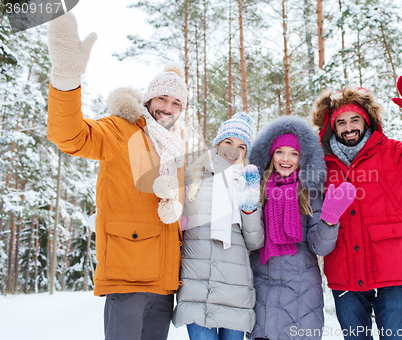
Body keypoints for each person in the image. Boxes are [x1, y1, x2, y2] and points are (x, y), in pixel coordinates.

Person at [47, 13, 188, 340]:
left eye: (176, 102)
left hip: (165, 284)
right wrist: (67, 78)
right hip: (128, 278)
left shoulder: (175, 148)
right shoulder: (118, 129)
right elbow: (70, 136)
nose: (167, 107)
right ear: (149, 99)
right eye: (162, 98)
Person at [310, 76, 402, 340]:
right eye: (341, 122)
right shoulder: (322, 165)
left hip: (391, 272)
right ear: (332, 127)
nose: (348, 127)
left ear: (367, 121)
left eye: (355, 120)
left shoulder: (391, 153)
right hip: (346, 276)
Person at [247, 116, 355, 340]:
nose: (286, 159)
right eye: (280, 152)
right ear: (270, 155)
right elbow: (251, 240)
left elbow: (320, 247)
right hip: (262, 295)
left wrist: (329, 219)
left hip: (301, 297)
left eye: (293, 153)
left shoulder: (310, 193)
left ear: (302, 157)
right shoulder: (256, 191)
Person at [172, 112, 265, 340]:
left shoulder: (247, 182)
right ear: (218, 143)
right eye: (228, 142)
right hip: (197, 285)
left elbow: (255, 242)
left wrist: (250, 208)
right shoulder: (192, 176)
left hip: (235, 287)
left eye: (241, 146)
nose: (233, 151)